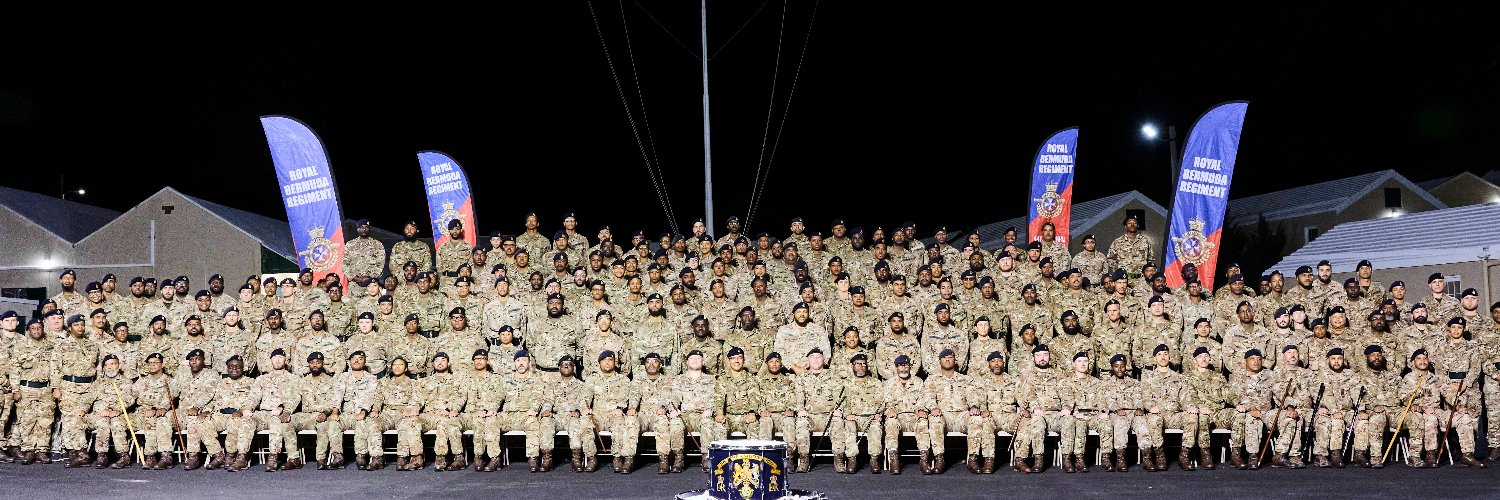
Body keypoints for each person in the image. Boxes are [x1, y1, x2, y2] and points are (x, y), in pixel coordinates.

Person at [195, 356, 260, 471]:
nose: (234, 369)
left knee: (234, 421)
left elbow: (254, 399)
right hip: (220, 414)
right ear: (227, 368)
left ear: (243, 368)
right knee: (202, 421)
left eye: (237, 366)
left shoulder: (251, 382)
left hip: (238, 414)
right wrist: (206, 411)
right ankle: (217, 455)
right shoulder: (221, 383)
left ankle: (231, 455)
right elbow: (213, 401)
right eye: (231, 367)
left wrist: (242, 410)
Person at [54, 314, 100, 467]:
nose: (80, 327)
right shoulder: (61, 345)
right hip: (69, 386)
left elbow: (98, 368)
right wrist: (56, 388)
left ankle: (79, 452)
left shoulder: (93, 345)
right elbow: (55, 368)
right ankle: (77, 452)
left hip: (89, 387)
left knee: (81, 418)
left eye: (82, 324)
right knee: (70, 419)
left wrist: (98, 387)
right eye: (76, 325)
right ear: (70, 327)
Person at [253, 348, 303, 471]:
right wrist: (249, 408)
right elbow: (254, 396)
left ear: (286, 360)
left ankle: (273, 456)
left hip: (280, 413)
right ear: (270, 360)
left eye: (280, 357)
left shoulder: (294, 379)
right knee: (247, 420)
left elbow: (295, 398)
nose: (277, 360)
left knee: (276, 421)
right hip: (263, 412)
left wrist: (283, 408)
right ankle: (241, 456)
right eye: (275, 357)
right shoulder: (261, 379)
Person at [370, 356, 423, 471]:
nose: (397, 367)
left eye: (401, 365)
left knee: (406, 425)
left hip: (403, 412)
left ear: (405, 369)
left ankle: (402, 457)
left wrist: (410, 409)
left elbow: (417, 399)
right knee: (373, 424)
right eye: (395, 365)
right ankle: (377, 458)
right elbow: (378, 398)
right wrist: (376, 409)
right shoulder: (383, 382)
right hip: (387, 413)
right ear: (391, 367)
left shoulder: (413, 383)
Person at [590, 350, 639, 473]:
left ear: (615, 363)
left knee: (619, 422)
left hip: (614, 413)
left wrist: (620, 407)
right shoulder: (592, 379)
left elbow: (624, 397)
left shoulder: (623, 380)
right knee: (585, 423)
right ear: (599, 363)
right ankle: (591, 457)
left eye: (610, 360)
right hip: (597, 414)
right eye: (604, 360)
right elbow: (585, 396)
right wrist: (585, 408)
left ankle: (617, 457)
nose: (607, 362)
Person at [882, 355, 932, 474]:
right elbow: (886, 402)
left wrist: (921, 410)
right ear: (896, 368)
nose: (903, 368)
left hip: (914, 416)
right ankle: (894, 460)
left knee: (924, 422)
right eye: (900, 366)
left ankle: (924, 460)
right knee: (890, 422)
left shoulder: (918, 382)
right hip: (898, 416)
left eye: (906, 365)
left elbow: (923, 399)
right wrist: (890, 410)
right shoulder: (890, 383)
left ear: (910, 366)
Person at [632, 352, 681, 473]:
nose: (651, 364)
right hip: (643, 414)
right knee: (630, 420)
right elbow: (634, 396)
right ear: (644, 365)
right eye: (648, 362)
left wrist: (665, 408)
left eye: (655, 361)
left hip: (658, 414)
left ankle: (663, 459)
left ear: (660, 364)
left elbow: (673, 397)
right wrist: (632, 408)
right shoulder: (638, 380)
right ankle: (629, 458)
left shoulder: (668, 380)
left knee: (663, 421)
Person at [420, 352, 467, 471]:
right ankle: (415, 457)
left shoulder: (456, 380)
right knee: (410, 422)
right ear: (433, 364)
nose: (439, 363)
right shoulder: (425, 381)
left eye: (443, 360)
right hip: (428, 415)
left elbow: (461, 396)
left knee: (444, 423)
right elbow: (417, 398)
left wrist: (453, 409)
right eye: (436, 360)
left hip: (445, 414)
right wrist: (413, 408)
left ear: (448, 363)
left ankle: (442, 457)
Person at [85, 354, 133, 468]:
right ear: (104, 368)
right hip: (100, 414)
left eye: (113, 364)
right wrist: (83, 409)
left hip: (118, 414)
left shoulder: (127, 382)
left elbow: (130, 398)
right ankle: (102, 455)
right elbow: (88, 398)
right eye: (107, 365)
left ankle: (123, 455)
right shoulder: (98, 383)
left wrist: (116, 409)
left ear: (119, 365)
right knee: (103, 421)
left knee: (117, 423)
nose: (110, 367)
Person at [334, 351, 379, 469]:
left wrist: (363, 411)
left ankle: (361, 455)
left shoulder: (371, 378)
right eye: (354, 358)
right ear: (349, 362)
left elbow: (371, 396)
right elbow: (338, 394)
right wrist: (335, 411)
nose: (356, 361)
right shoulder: (343, 377)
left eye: (360, 358)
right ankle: (337, 455)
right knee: (334, 423)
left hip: (362, 412)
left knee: (362, 423)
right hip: (346, 413)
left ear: (365, 362)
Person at [551, 356, 596, 472]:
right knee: (546, 422)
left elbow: (583, 401)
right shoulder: (552, 385)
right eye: (563, 364)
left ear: (574, 367)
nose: (566, 366)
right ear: (559, 367)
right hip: (557, 415)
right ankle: (547, 458)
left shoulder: (581, 385)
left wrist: (578, 410)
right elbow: (547, 400)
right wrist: (546, 410)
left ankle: (576, 458)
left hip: (572, 415)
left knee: (575, 423)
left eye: (569, 364)